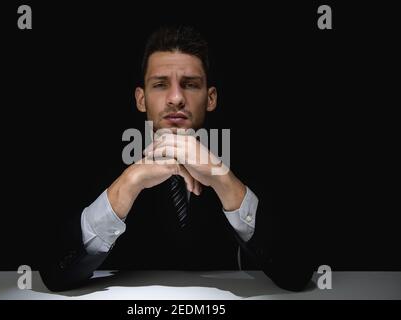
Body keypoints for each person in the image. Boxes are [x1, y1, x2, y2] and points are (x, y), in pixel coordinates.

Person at [39, 26, 314, 292]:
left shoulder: (248, 159)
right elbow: (54, 274)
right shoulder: (100, 161)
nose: (175, 98)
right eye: (160, 85)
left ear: (211, 98)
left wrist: (224, 181)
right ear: (141, 99)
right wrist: (127, 184)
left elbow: (296, 273)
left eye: (190, 85)